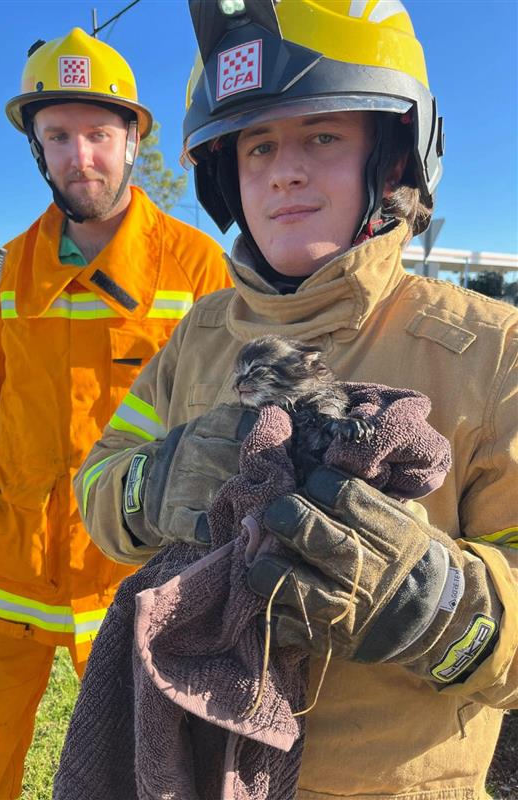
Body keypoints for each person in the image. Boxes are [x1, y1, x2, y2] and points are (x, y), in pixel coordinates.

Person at [74, 1, 517, 797]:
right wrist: (159, 483)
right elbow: (98, 490)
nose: (283, 170)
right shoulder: (200, 333)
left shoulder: (492, 351)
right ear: (224, 176)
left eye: (321, 136)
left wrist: (436, 603)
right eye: (258, 145)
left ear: (394, 162)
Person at [0, 26, 231, 799]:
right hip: (0, 577)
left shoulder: (196, 267)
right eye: (57, 135)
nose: (79, 155)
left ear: (133, 142)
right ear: (36, 148)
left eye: (98, 133)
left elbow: (233, 418)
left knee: (155, 775)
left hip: (136, 577)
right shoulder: (9, 273)